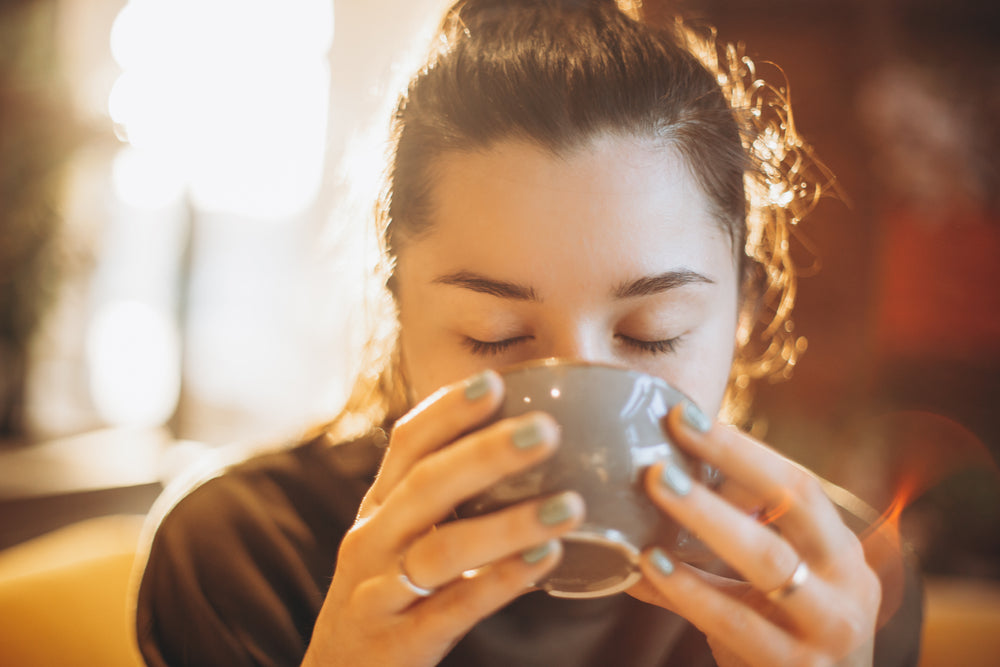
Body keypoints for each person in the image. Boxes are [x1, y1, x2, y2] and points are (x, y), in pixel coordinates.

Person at [133, 1, 922, 665]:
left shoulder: (845, 583)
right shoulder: (244, 558)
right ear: (400, 314)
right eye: (495, 334)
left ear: (745, 313)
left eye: (652, 334)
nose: (571, 405)